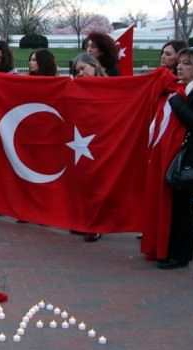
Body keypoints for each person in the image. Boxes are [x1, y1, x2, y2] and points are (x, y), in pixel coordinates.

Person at [159, 47, 193, 269]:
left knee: (183, 208)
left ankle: (180, 255)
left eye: (186, 63)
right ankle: (179, 253)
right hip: (189, 156)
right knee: (182, 206)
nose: (180, 66)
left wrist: (176, 103)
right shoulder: (188, 90)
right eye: (180, 63)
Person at [71, 52, 106, 242]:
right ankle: (84, 221)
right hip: (81, 142)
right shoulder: (76, 87)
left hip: (101, 141)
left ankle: (97, 225)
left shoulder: (110, 86)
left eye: (83, 69)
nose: (81, 73)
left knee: (98, 184)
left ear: (94, 66)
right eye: (77, 71)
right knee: (83, 183)